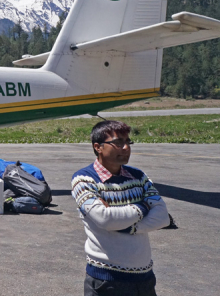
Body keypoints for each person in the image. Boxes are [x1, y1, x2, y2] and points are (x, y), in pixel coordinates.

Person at [72, 120, 170, 296]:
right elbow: (106, 219)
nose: (126, 148)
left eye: (128, 142)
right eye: (118, 143)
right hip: (106, 279)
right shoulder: (84, 179)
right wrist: (144, 206)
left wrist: (128, 226)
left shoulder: (138, 176)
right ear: (98, 147)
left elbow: (163, 217)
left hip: (144, 277)